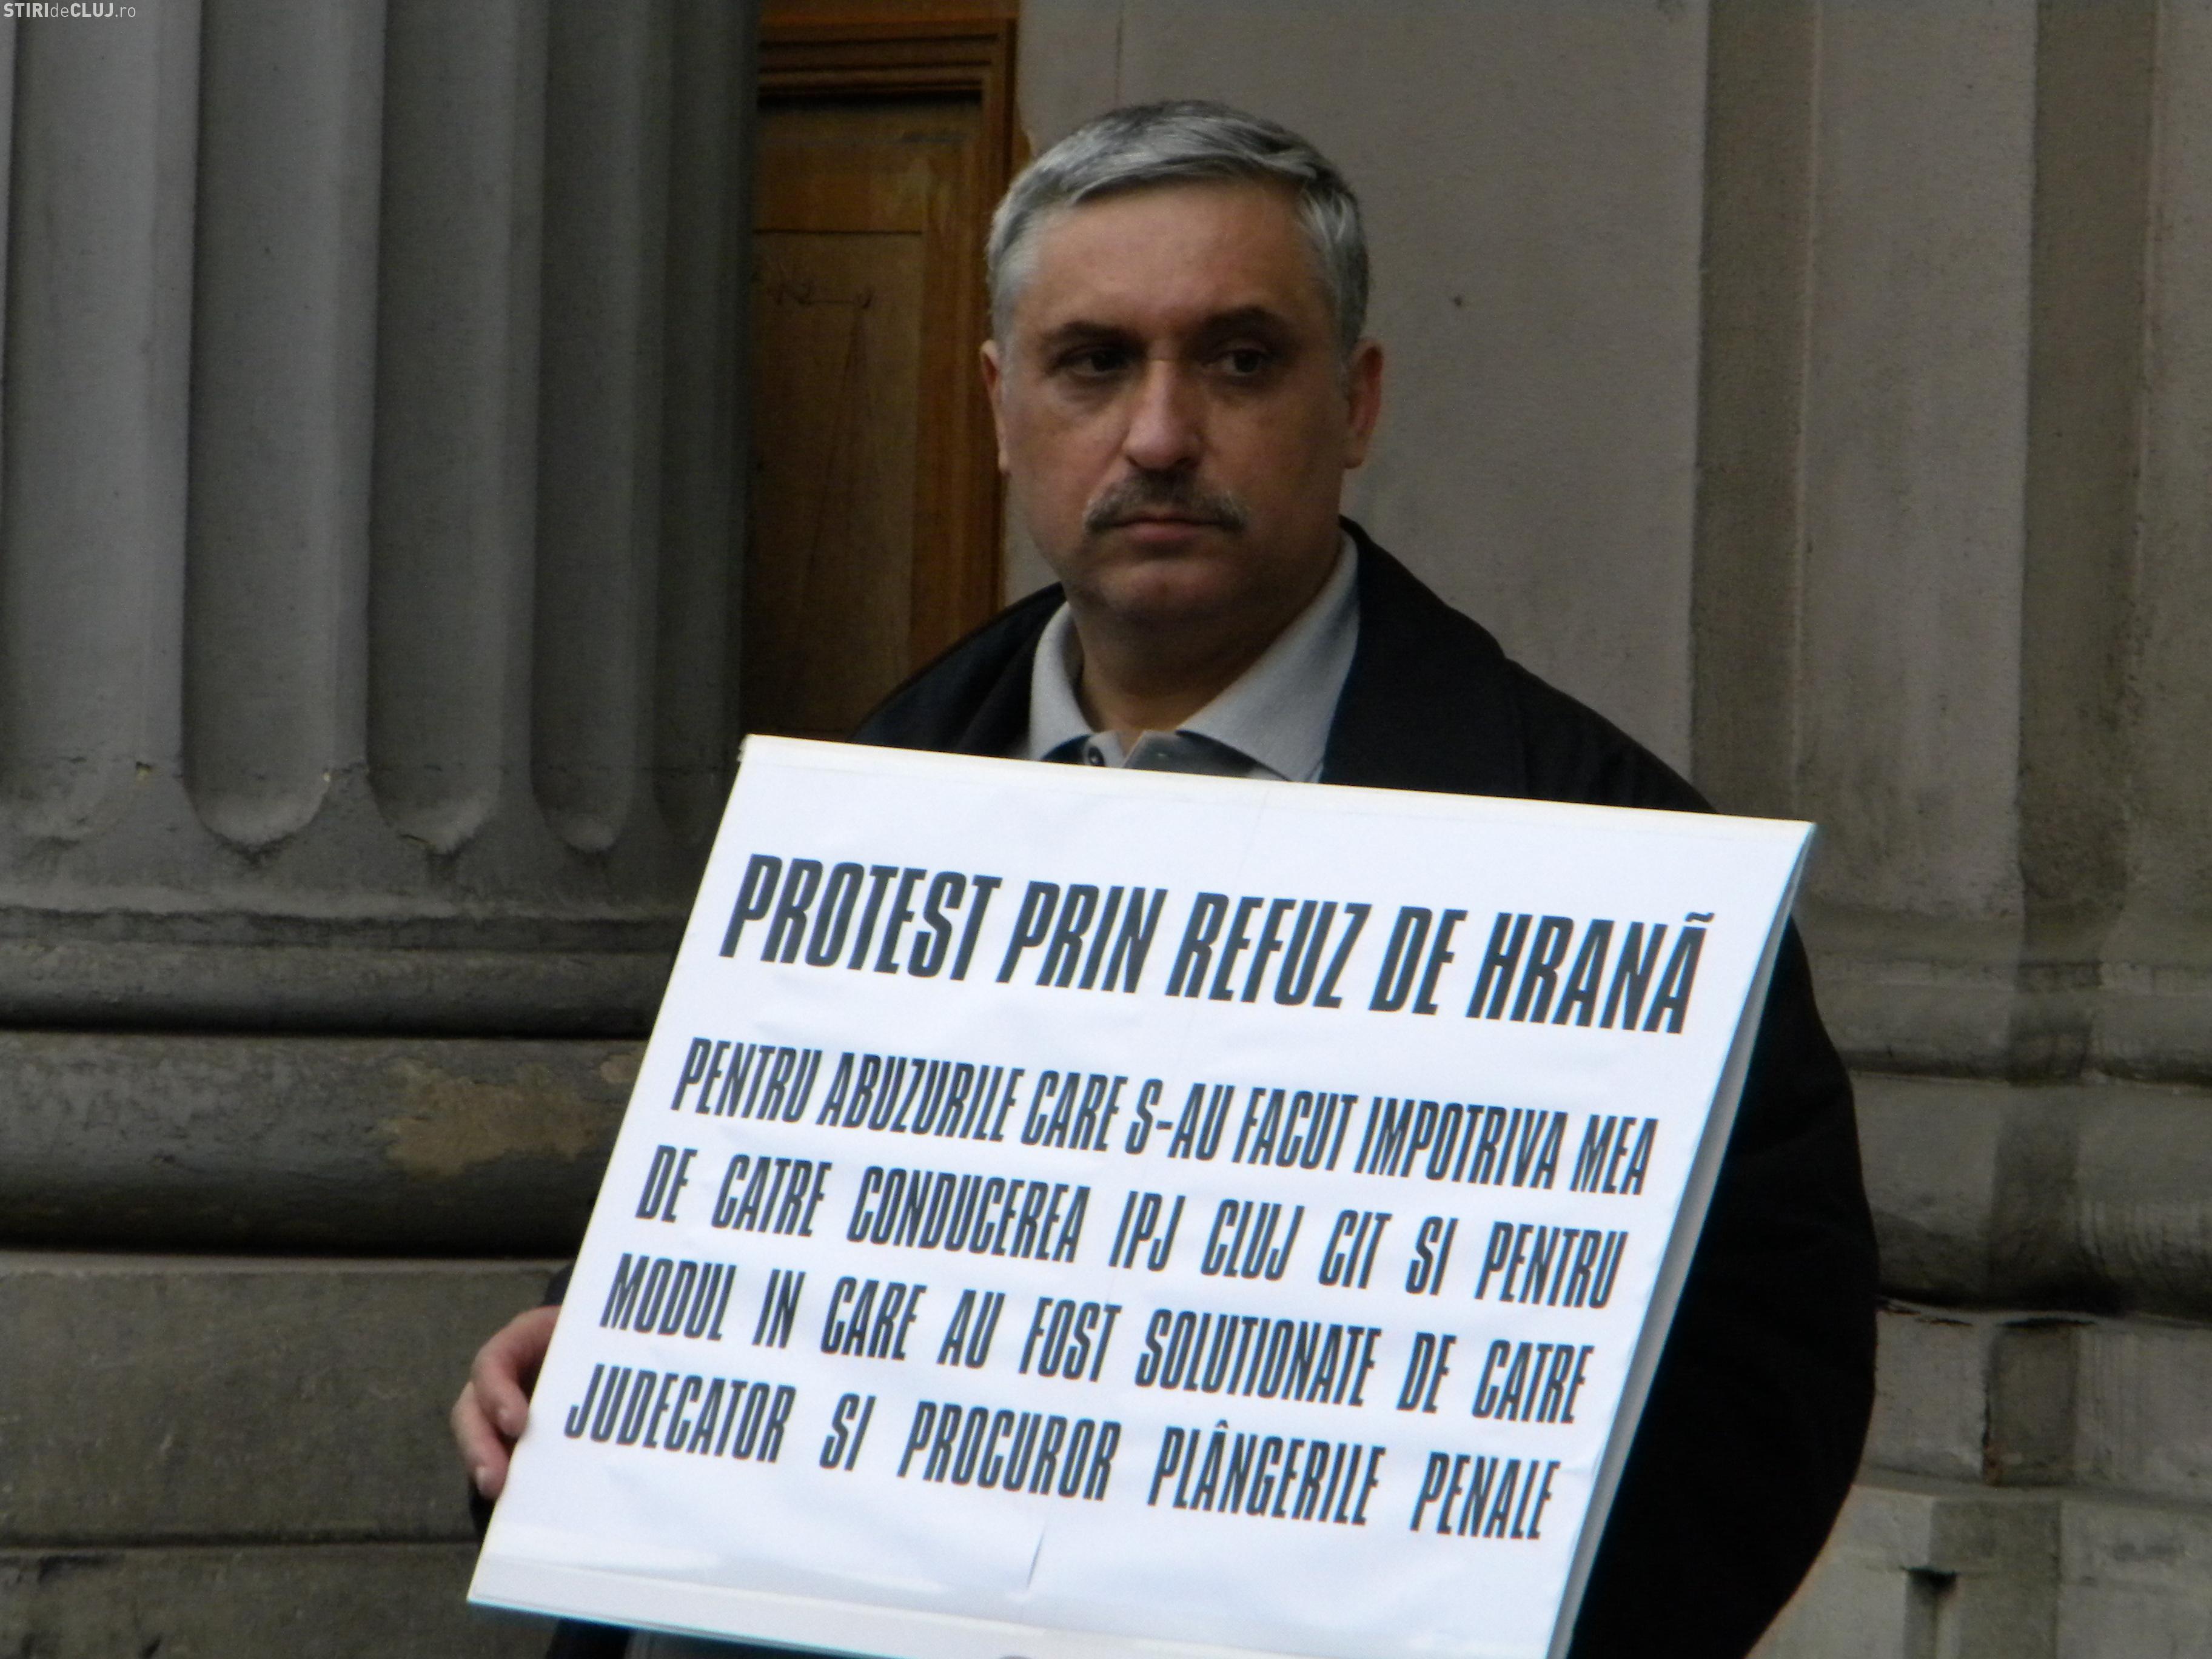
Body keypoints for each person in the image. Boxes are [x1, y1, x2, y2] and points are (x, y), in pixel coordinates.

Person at [455, 101, 1877, 1659]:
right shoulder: (850, 817)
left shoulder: (1615, 866)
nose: (1158, 436)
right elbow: (748, 1246)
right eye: (1093, 363)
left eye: (1241, 360)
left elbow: (1757, 1417)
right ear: (1001, 409)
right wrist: (594, 1380)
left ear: (1357, 402)